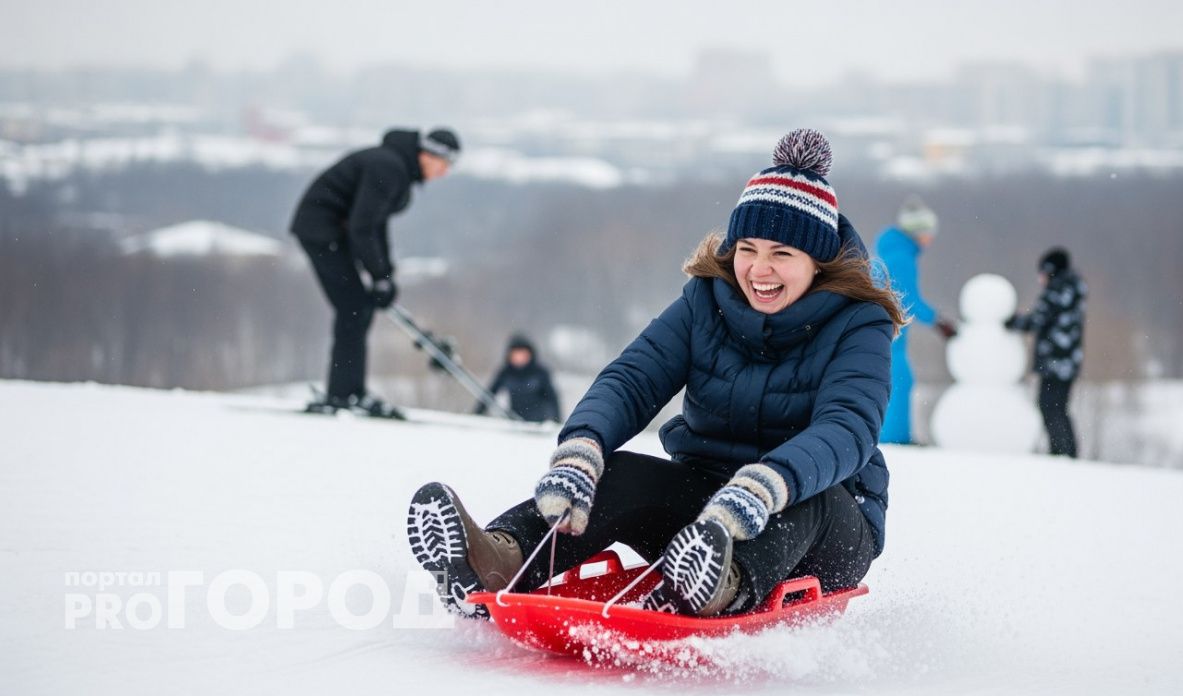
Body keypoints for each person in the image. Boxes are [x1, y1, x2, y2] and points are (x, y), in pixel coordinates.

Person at [407, 129, 905, 619]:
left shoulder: (859, 322)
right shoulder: (706, 301)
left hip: (826, 523)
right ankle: (497, 559)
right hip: (705, 518)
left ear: (817, 262)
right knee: (617, 474)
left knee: (803, 503)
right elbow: (633, 378)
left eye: (782, 254)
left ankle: (718, 586)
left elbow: (848, 428)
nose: (758, 269)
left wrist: (766, 485)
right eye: (748, 248)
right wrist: (583, 449)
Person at [291, 127, 461, 419]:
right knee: (353, 308)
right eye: (444, 165)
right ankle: (344, 394)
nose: (444, 173)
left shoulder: (394, 166)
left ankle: (348, 391)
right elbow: (363, 226)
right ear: (428, 154)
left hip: (331, 231)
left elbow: (374, 224)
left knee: (357, 309)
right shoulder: (390, 167)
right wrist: (380, 275)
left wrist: (384, 274)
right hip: (321, 231)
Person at [872, 196, 957, 445]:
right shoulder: (901, 257)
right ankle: (894, 438)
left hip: (882, 327)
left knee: (895, 379)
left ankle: (893, 435)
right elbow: (907, 299)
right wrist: (938, 321)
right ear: (917, 232)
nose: (931, 238)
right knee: (898, 380)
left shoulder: (891, 251)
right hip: (889, 330)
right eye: (928, 232)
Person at [1005, 247, 1086, 458]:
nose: (1039, 278)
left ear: (1050, 271)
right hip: (1068, 361)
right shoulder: (1073, 290)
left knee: (1050, 407)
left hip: (1055, 362)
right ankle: (1067, 452)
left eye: (1041, 273)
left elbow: (1038, 320)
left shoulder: (1057, 290)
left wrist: (1012, 322)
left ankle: (1061, 453)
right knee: (1059, 408)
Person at [474, 334, 562, 423]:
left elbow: (552, 399)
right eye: (516, 354)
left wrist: (557, 421)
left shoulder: (540, 373)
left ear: (530, 354)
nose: (519, 358)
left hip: (538, 425)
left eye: (522, 354)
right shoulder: (505, 372)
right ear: (510, 355)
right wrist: (476, 415)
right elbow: (489, 395)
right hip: (515, 422)